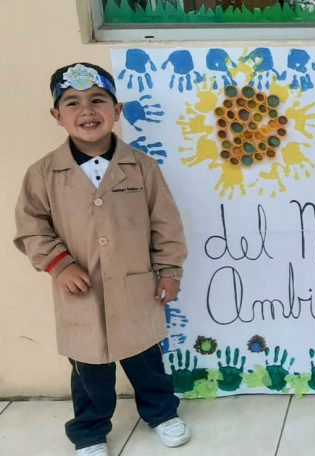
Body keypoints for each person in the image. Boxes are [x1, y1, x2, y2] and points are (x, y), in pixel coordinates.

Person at [14, 62, 191, 456]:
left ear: (117, 110)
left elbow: (165, 223)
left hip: (136, 288)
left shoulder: (142, 167)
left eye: (97, 100)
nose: (87, 111)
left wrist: (169, 269)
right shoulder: (43, 174)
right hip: (82, 293)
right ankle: (90, 432)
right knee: (88, 372)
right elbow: (31, 228)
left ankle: (162, 413)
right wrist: (60, 264)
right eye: (73, 103)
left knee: (146, 359)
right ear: (57, 116)